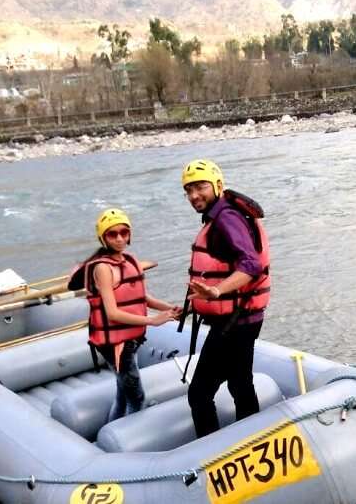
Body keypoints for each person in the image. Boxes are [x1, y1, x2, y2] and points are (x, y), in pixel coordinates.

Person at [180, 159, 271, 438]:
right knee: (240, 383)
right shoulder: (224, 215)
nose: (194, 195)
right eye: (188, 190)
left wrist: (217, 291)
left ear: (218, 185)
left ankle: (211, 455)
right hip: (244, 318)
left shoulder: (226, 218)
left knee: (199, 394)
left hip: (234, 323)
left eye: (200, 187)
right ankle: (254, 440)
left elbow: (250, 264)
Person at [69, 208, 180, 421]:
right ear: (103, 237)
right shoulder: (102, 268)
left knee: (123, 392)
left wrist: (170, 309)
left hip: (130, 339)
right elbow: (112, 313)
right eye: (113, 234)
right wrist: (153, 320)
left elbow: (143, 297)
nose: (120, 238)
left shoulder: (129, 260)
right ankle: (127, 439)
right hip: (115, 345)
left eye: (124, 232)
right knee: (136, 397)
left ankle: (111, 427)